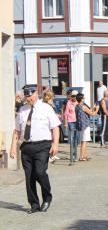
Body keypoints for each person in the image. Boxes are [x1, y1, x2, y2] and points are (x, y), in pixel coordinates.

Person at [9, 84, 61, 214]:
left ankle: (47, 197)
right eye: (26, 97)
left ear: (36, 94)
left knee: (40, 172)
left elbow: (55, 127)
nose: (28, 99)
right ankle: (34, 204)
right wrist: (13, 147)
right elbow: (17, 131)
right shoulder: (22, 110)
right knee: (29, 177)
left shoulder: (46, 108)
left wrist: (55, 145)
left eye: (30, 96)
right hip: (26, 147)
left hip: (42, 146)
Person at [75, 93, 99, 161]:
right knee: (84, 141)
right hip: (85, 125)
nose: (84, 98)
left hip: (80, 125)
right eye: (83, 98)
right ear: (81, 99)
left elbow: (88, 111)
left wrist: (92, 108)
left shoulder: (77, 106)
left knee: (83, 141)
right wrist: (96, 109)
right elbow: (92, 114)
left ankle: (85, 155)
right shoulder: (83, 107)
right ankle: (81, 156)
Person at [64, 90, 79, 166]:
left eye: (75, 96)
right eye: (73, 96)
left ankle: (75, 154)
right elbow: (66, 113)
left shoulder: (78, 103)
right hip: (70, 122)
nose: (74, 97)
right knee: (72, 138)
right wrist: (66, 123)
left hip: (77, 122)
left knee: (77, 139)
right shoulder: (68, 103)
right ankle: (72, 156)